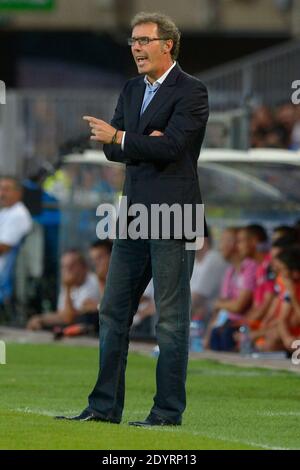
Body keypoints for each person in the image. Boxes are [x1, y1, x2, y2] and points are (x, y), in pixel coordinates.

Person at [56, 12, 208, 426]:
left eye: (144, 40)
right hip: (133, 215)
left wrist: (125, 138)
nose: (136, 48)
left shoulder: (192, 91)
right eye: (133, 41)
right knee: (112, 312)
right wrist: (138, 140)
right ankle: (103, 408)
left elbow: (172, 146)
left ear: (167, 45)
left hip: (175, 215)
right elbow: (111, 149)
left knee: (171, 320)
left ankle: (167, 412)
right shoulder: (129, 89)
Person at [27, 249, 100, 331]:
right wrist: (40, 319)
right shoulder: (69, 283)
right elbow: (61, 314)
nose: (67, 271)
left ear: (83, 267)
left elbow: (68, 318)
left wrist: (68, 288)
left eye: (71, 266)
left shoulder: (93, 282)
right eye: (64, 267)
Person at [0, 177, 32, 305]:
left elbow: (3, 247)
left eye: (6, 190)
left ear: (19, 193)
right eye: (1, 189)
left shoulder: (19, 214)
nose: (2, 193)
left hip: (5, 270)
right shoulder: (5, 211)